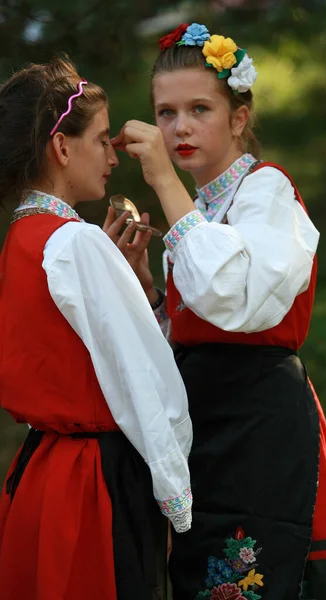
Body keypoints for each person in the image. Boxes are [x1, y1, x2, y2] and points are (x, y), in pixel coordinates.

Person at [110, 23, 326, 600]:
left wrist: (162, 181)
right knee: (202, 576)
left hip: (260, 419)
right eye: (167, 112)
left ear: (238, 117)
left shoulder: (265, 191)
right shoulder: (199, 208)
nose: (179, 127)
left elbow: (235, 299)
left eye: (200, 108)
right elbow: (194, 332)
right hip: (205, 419)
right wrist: (151, 290)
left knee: (263, 574)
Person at [0, 56, 192, 600]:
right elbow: (142, 376)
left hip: (42, 470)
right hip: (94, 481)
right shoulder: (76, 242)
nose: (112, 158)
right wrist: (176, 489)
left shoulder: (25, 237)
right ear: (62, 147)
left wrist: (120, 275)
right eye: (103, 140)